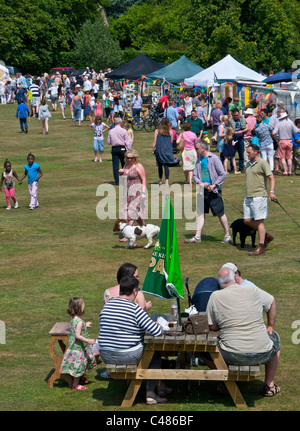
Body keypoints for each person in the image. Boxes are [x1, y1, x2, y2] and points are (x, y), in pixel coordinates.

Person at [207, 267, 281, 398]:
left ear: (219, 284)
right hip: (263, 353)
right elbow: (271, 301)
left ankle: (227, 382)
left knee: (207, 350)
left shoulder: (215, 296)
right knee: (275, 338)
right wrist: (270, 326)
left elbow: (212, 327)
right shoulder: (252, 289)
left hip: (231, 354)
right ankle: (269, 385)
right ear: (235, 278)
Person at [99, 275, 170, 404]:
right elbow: (156, 332)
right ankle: (150, 394)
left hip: (105, 354)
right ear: (134, 292)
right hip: (126, 355)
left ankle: (160, 387)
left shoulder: (107, 307)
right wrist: (158, 326)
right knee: (153, 353)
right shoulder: (135, 308)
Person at [184, 140, 231, 244]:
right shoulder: (199, 160)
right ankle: (197, 236)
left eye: (197, 148)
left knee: (220, 213)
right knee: (200, 213)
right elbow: (195, 175)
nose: (196, 150)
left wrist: (214, 185)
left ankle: (227, 235)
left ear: (203, 148)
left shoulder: (214, 158)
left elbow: (222, 174)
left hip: (213, 192)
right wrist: (200, 182)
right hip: (202, 191)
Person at [243, 144, 276, 256]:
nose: (247, 154)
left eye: (249, 152)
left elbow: (271, 177)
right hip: (248, 196)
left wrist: (272, 192)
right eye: (247, 152)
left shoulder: (262, 163)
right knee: (247, 220)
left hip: (259, 196)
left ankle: (261, 247)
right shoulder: (248, 164)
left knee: (259, 221)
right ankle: (265, 235)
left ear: (256, 152)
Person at [60, 297, 97, 390]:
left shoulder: (73, 318)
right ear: (79, 308)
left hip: (74, 346)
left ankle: (80, 377)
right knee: (78, 365)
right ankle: (75, 384)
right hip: (78, 347)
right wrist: (89, 341)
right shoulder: (79, 322)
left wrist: (85, 325)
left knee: (82, 362)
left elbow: (77, 328)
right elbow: (78, 335)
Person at [119, 149, 147, 225]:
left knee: (132, 212)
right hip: (127, 192)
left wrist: (143, 193)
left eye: (131, 158)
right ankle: (144, 227)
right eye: (128, 157)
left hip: (136, 192)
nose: (129, 159)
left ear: (135, 158)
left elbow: (144, 179)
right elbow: (122, 181)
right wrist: (120, 174)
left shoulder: (138, 166)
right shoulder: (125, 165)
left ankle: (128, 235)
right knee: (128, 212)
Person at [272, 112, 300, 176]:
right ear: (286, 117)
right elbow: (298, 131)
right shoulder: (291, 123)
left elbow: (273, 133)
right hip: (289, 141)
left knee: (282, 158)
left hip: (282, 141)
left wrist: (275, 137)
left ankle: (285, 171)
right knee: (289, 158)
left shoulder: (279, 124)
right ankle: (290, 171)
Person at [107, 117, 132, 186]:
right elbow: (127, 141)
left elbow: (108, 142)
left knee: (115, 165)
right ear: (120, 123)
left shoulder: (111, 131)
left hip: (114, 148)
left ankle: (117, 181)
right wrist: (130, 150)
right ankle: (125, 179)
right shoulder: (123, 131)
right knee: (125, 164)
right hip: (122, 148)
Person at [152, 118, 175, 185]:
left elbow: (154, 142)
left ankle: (160, 180)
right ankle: (167, 181)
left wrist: (153, 149)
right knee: (166, 165)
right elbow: (171, 141)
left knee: (159, 165)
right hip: (167, 150)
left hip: (159, 150)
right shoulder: (170, 131)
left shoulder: (157, 131)